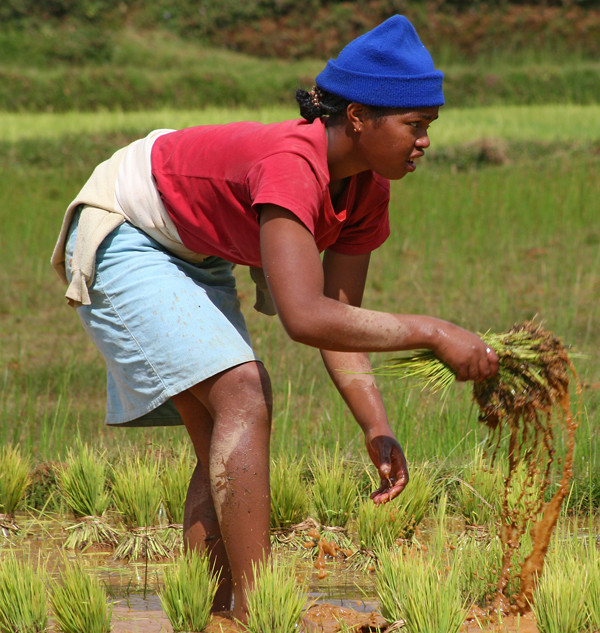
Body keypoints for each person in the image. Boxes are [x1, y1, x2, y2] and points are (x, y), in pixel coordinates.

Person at [50, 15, 498, 622]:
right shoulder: (293, 163)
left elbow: (339, 315)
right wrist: (434, 330)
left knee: (223, 426)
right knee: (243, 391)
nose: (425, 142)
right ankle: (263, 612)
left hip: (197, 247)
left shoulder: (365, 189)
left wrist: (375, 425)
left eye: (429, 127)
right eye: (414, 125)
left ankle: (214, 614)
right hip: (130, 228)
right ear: (359, 117)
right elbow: (302, 316)